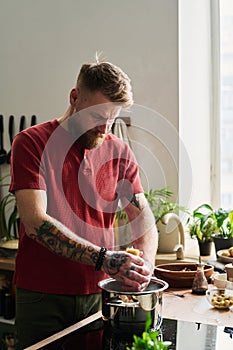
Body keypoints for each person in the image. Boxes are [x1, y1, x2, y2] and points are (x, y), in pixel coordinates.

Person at [9, 59, 158, 349]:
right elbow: (36, 223)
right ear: (75, 97)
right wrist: (105, 259)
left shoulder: (118, 151)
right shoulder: (31, 143)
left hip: (100, 294)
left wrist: (145, 266)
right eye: (98, 115)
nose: (105, 127)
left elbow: (143, 220)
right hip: (43, 296)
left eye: (113, 118)